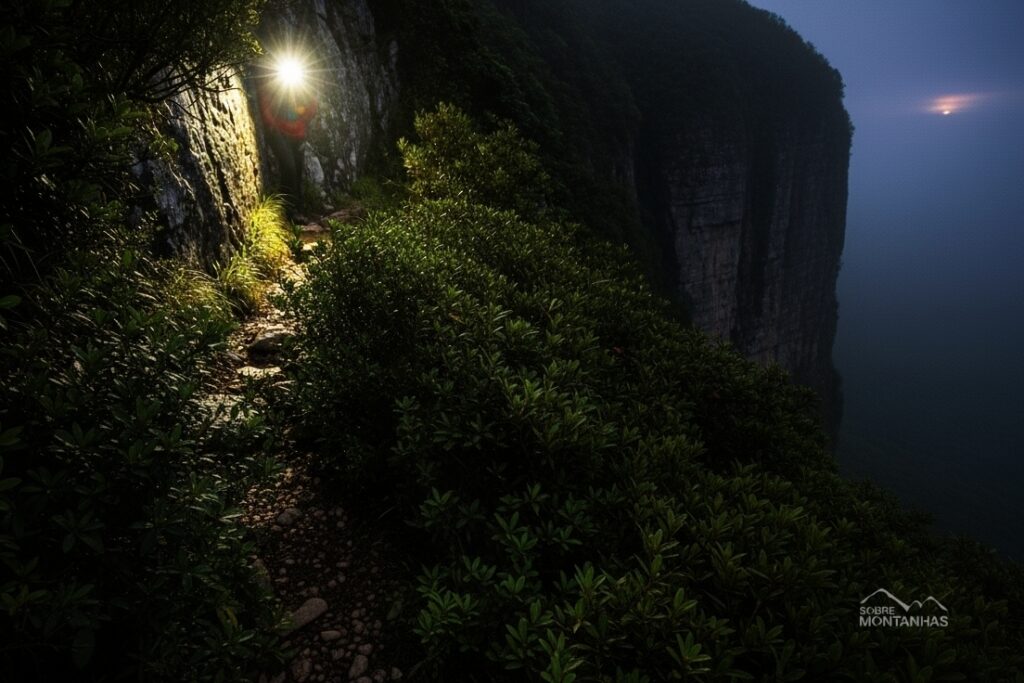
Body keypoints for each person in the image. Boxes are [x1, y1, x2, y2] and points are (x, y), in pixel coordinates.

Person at [258, 75, 318, 220]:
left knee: (297, 170)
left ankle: (297, 208)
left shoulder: (304, 85)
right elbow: (265, 99)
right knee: (289, 166)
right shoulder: (273, 81)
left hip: (297, 134)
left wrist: (302, 123)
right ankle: (289, 211)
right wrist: (271, 124)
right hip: (278, 131)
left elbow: (312, 105)